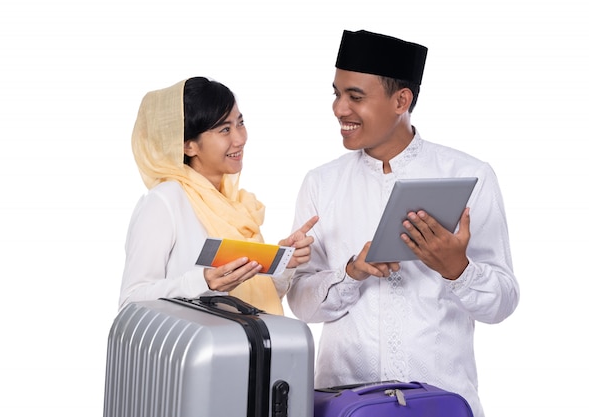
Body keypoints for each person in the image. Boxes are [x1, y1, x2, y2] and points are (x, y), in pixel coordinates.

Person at [286, 30, 519, 417]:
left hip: (442, 402)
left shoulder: (468, 175)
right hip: (344, 403)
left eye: (355, 96)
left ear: (401, 100)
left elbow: (503, 302)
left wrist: (457, 269)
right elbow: (301, 305)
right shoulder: (321, 183)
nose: (339, 109)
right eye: (336, 93)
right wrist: (350, 274)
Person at [119, 76, 318, 315]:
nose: (240, 138)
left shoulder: (233, 206)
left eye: (240, 123)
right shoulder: (165, 202)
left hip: (244, 349)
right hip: (193, 351)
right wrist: (204, 281)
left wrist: (285, 263)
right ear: (188, 145)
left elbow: (252, 302)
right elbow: (131, 300)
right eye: (225, 129)